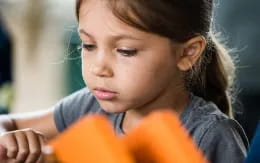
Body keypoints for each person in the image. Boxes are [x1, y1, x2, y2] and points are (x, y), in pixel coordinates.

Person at [0, 0, 249, 162]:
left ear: (187, 53)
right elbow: (5, 123)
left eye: (126, 51)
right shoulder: (88, 108)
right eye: (88, 45)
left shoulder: (210, 136)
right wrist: (9, 140)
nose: (99, 68)